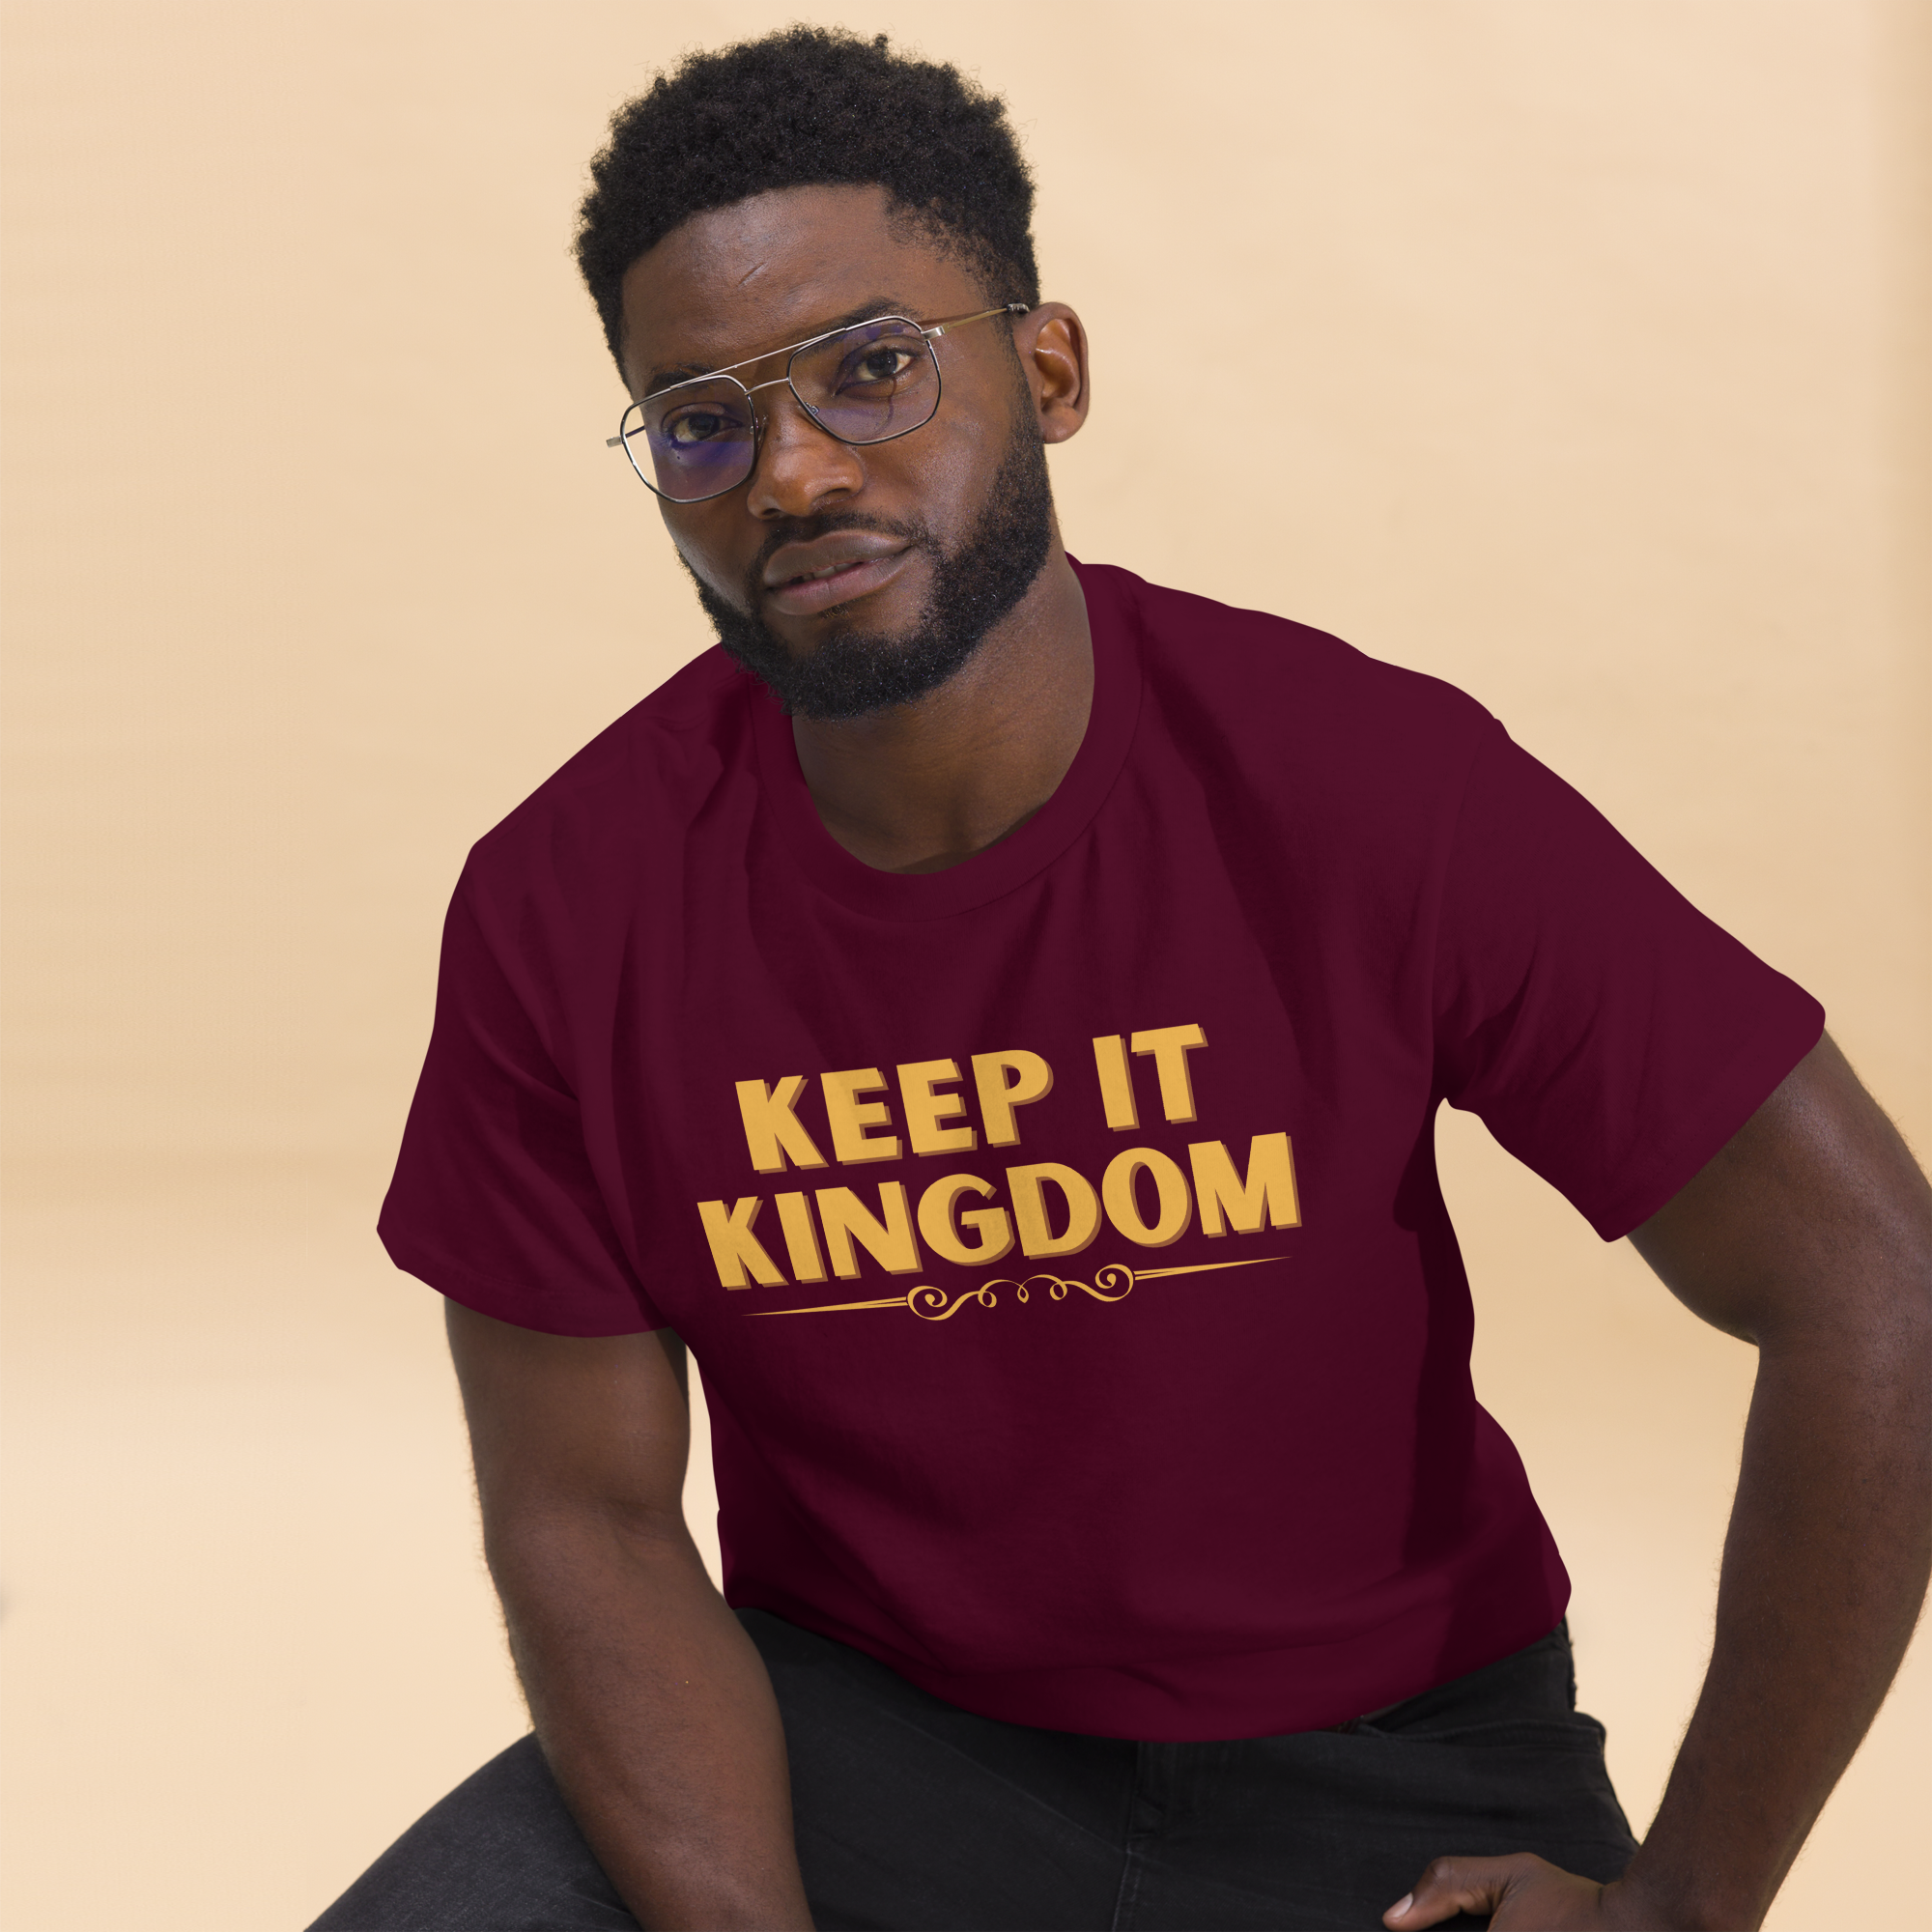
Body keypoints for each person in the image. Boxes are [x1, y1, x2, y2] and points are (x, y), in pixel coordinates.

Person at [312, 27, 1932, 1932]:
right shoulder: (564, 902)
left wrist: (1686, 1905)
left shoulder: (1363, 784)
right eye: (700, 423)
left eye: (871, 367)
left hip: (1384, 1770)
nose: (793, 472)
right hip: (860, 1747)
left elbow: (1872, 1283)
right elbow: (584, 1510)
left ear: (1050, 372)